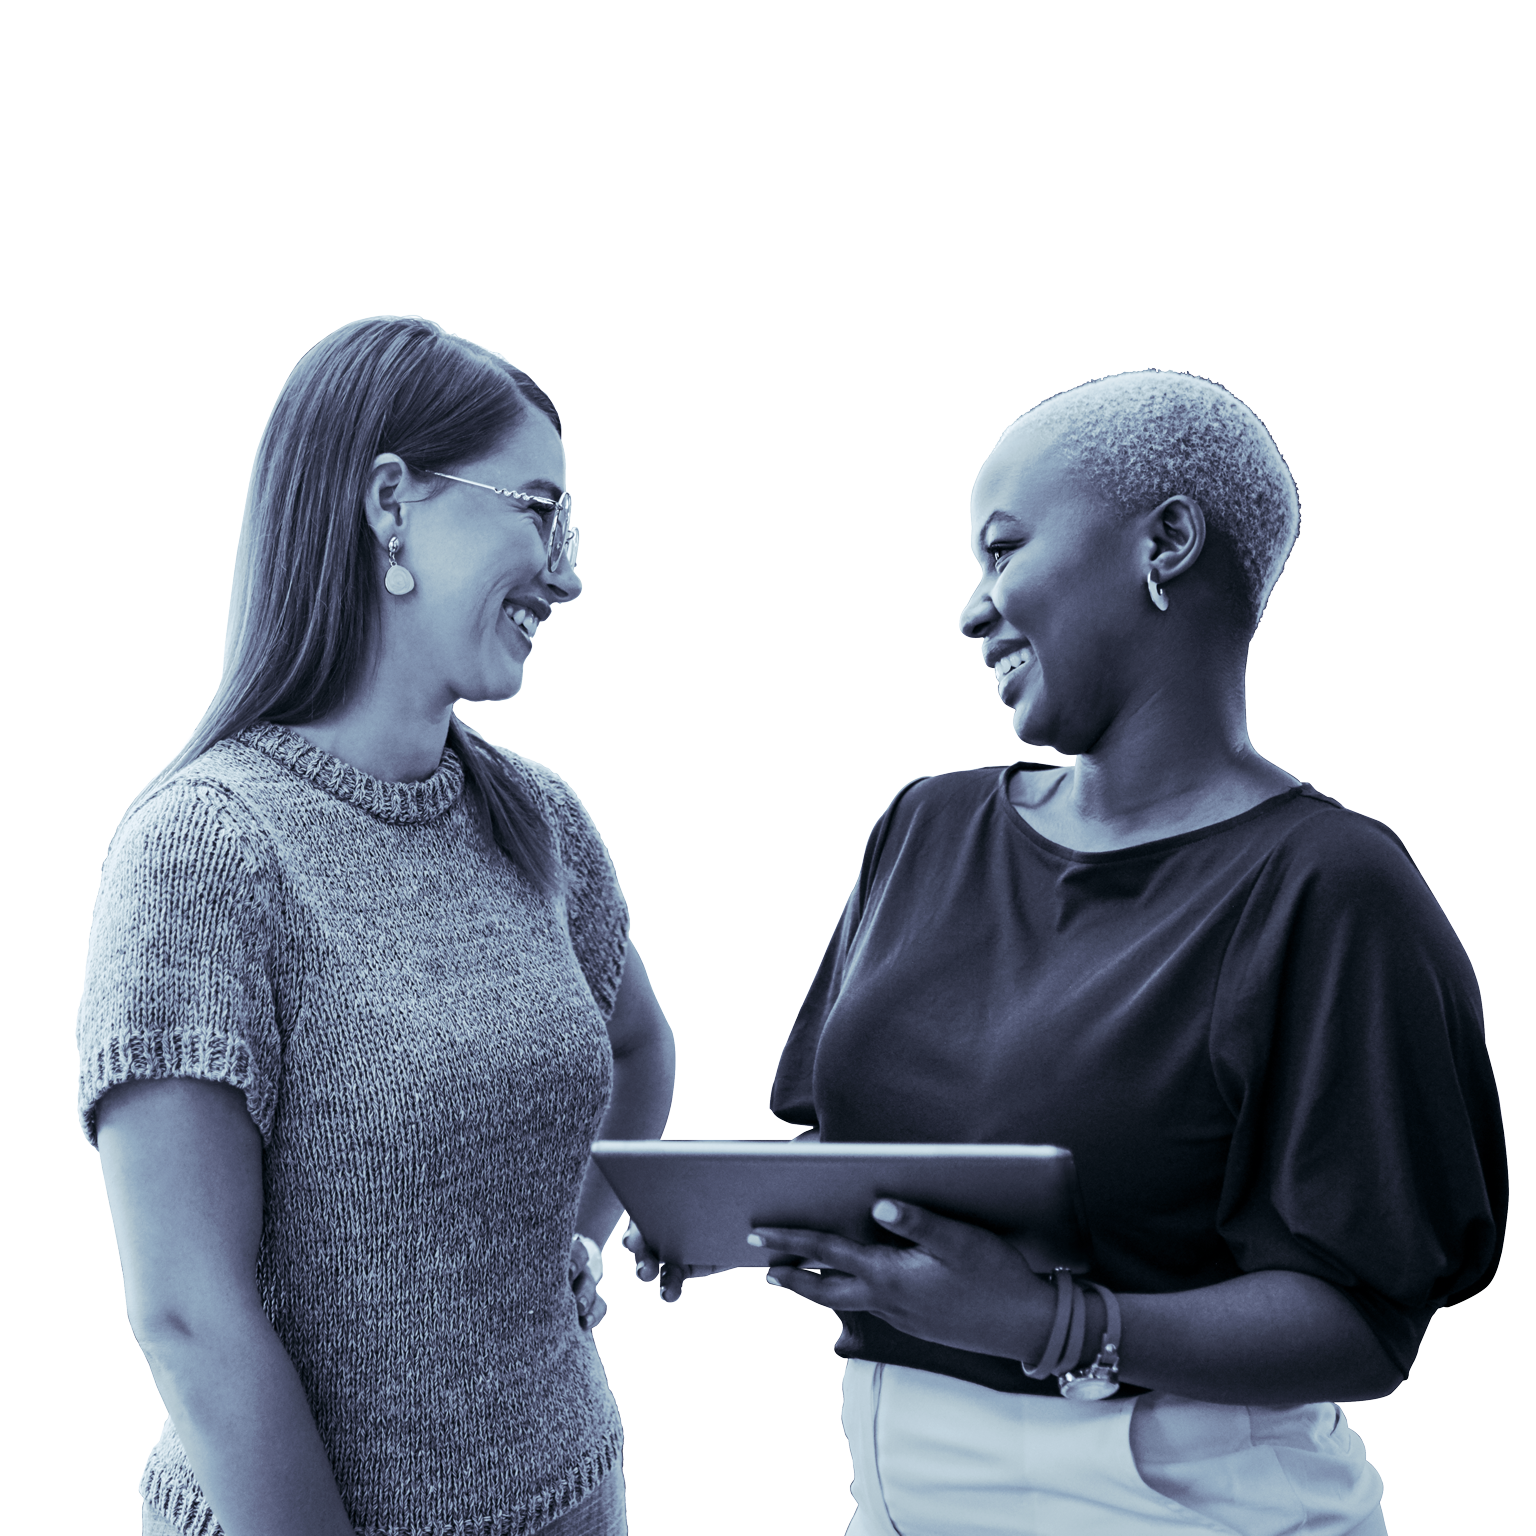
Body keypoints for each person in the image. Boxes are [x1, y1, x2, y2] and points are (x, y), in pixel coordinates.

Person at [627, 370, 1505, 1535]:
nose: (973, 609)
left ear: (1167, 542)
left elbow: (1366, 1325)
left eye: (1004, 549)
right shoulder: (927, 827)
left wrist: (1055, 1324)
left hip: (1184, 1508)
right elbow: (872, 1151)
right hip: (894, 1496)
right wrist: (741, 1210)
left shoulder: (1332, 889)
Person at [77, 316, 675, 1536]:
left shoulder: (539, 820)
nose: (565, 575)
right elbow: (187, 1315)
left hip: (576, 1499)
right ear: (391, 505)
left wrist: (573, 1239)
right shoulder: (206, 852)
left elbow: (637, 1051)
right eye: (539, 511)